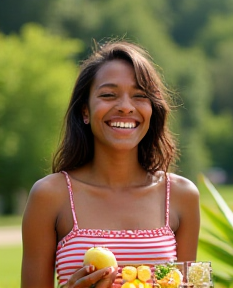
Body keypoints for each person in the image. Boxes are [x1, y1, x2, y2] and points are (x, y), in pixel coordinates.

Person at [21, 39, 200, 288]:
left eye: (139, 96)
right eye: (108, 95)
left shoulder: (182, 195)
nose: (126, 107)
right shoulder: (50, 195)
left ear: (151, 109)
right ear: (85, 111)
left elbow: (186, 284)